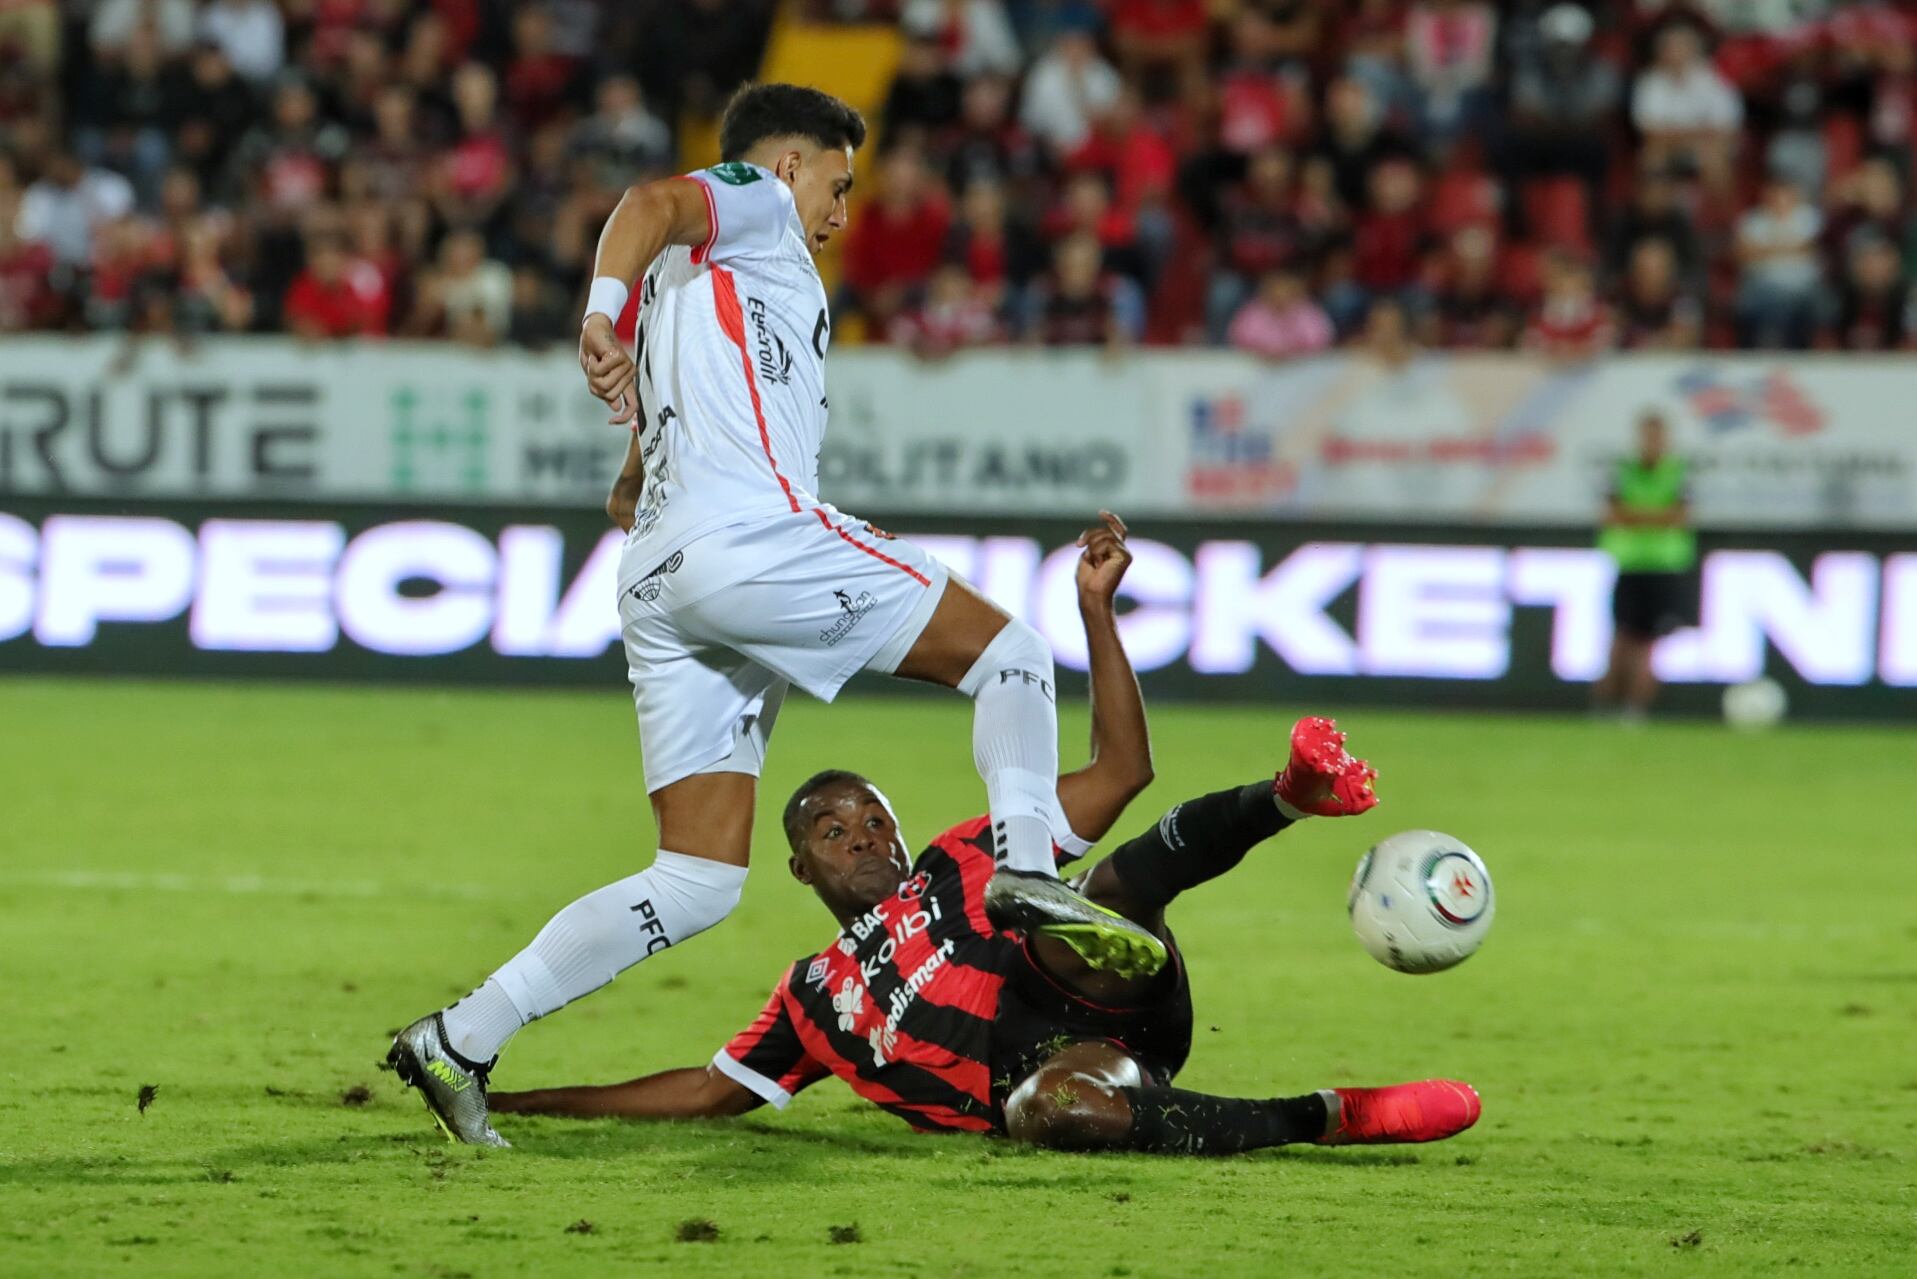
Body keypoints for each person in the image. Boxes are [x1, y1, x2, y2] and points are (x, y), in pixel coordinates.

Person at [388, 84, 1164, 1147]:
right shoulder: (753, 205)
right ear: (789, 166)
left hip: (660, 572)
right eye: (837, 185)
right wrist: (597, 316)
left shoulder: (704, 282)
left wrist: (638, 458)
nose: (841, 211)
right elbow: (647, 201)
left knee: (696, 878)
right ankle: (1025, 873)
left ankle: (461, 1037)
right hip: (748, 539)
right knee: (1012, 655)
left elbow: (639, 470)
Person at [489, 514, 1479, 1155]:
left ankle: (1288, 794)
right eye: (834, 830)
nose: (863, 836)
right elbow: (706, 1092)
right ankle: (1334, 1114)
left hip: (1087, 980)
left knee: (1086, 897)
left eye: (873, 818)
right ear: (799, 866)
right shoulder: (811, 997)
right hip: (1062, 1068)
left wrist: (1095, 611)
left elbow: (1120, 772)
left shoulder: (963, 854)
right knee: (1054, 1111)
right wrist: (522, 1103)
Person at [1594, 410, 1695, 721]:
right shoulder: (1623, 470)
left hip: (1664, 566)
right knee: (1622, 638)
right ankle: (1605, 706)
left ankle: (1634, 711)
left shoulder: (1678, 471)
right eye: (1648, 436)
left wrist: (1635, 516)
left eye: (1658, 436)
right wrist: (1657, 516)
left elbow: (1680, 517)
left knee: (1649, 641)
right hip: (1629, 564)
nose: (1653, 442)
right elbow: (1612, 515)